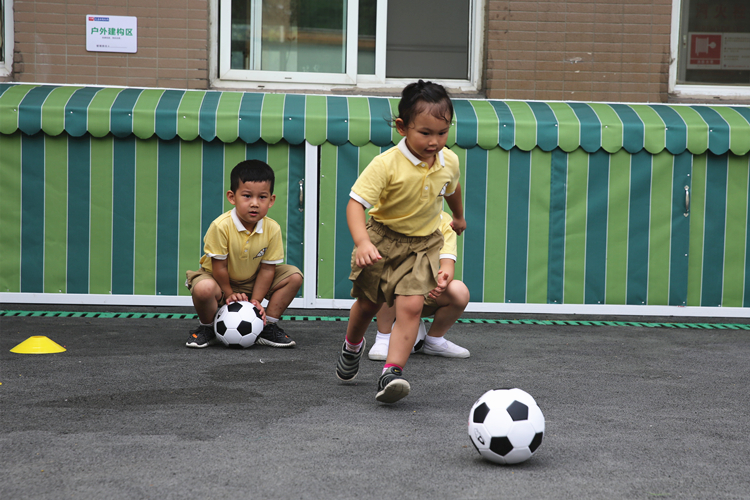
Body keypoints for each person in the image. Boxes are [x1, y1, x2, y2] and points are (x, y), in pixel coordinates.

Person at [335, 80, 466, 404]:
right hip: (382, 240)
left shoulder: (449, 161)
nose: (434, 141)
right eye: (425, 133)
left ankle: (391, 372)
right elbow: (355, 204)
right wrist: (363, 242)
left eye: (442, 132)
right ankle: (352, 346)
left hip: (422, 245)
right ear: (402, 127)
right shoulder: (386, 164)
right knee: (367, 305)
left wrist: (459, 217)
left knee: (411, 305)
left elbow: (452, 189)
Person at [185, 159, 303, 349]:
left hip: (252, 279)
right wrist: (229, 294)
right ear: (232, 197)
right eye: (247, 196)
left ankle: (267, 326)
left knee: (294, 276)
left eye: (262, 197)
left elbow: (267, 269)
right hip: (218, 279)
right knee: (203, 288)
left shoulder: (272, 229)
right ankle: (208, 327)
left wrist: (256, 301)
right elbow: (219, 267)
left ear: (271, 200)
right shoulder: (221, 226)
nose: (255, 204)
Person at [369, 211, 470, 360]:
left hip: (426, 291)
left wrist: (442, 281)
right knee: (385, 276)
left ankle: (434, 341)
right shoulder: (393, 213)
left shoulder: (444, 220)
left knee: (459, 291)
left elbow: (447, 264)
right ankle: (383, 339)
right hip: (396, 293)